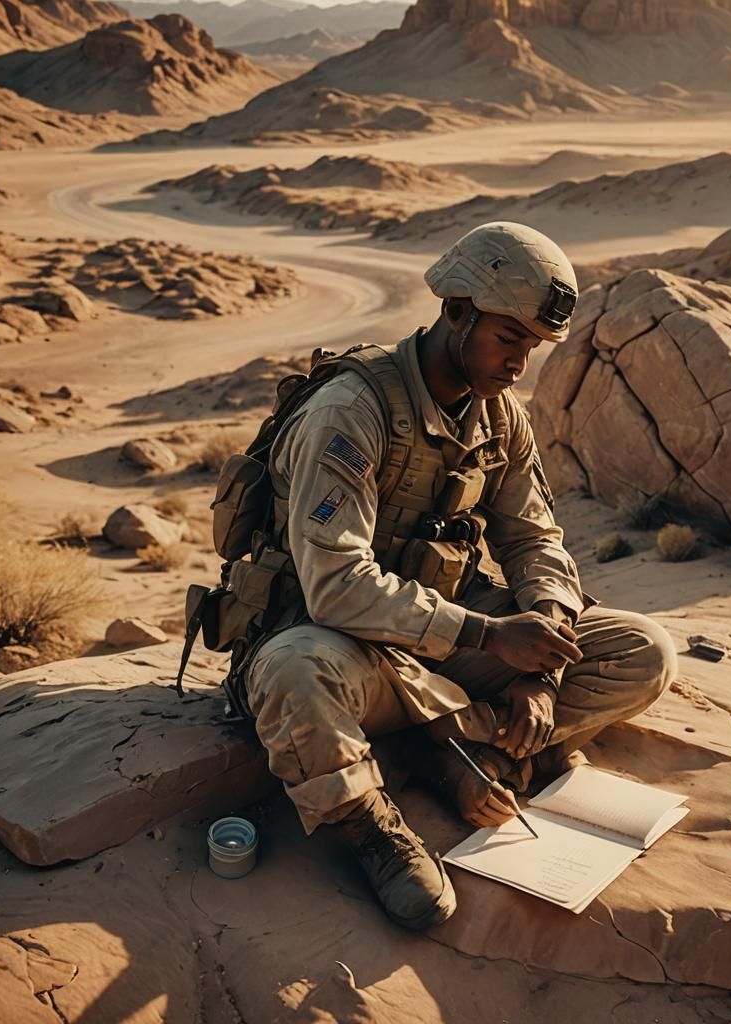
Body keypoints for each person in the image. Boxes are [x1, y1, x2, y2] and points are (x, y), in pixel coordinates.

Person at [244, 221, 677, 930]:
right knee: (292, 674)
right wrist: (489, 632)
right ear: (456, 313)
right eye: (508, 339)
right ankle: (375, 828)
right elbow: (334, 587)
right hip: (341, 646)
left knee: (644, 651)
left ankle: (455, 745)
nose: (519, 363)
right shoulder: (352, 413)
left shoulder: (500, 417)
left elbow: (536, 540)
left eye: (532, 347)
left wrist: (542, 668)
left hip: (441, 642)